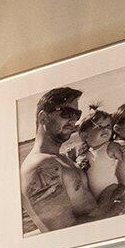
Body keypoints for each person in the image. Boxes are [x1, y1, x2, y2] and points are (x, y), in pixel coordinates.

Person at [21, 85, 105, 232]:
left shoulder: (61, 159)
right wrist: (110, 210)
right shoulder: (39, 167)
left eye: (77, 115)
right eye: (67, 113)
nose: (73, 121)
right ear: (43, 117)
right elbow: (63, 233)